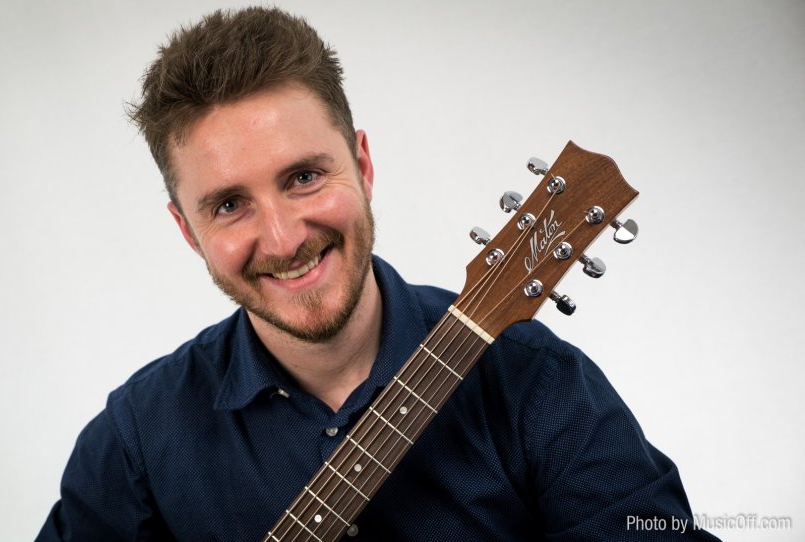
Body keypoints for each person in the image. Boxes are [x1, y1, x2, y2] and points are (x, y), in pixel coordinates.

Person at [38, 7, 718, 541]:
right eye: (229, 205)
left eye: (304, 177)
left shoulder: (534, 382)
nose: (283, 238)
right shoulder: (138, 440)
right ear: (188, 231)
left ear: (362, 166)